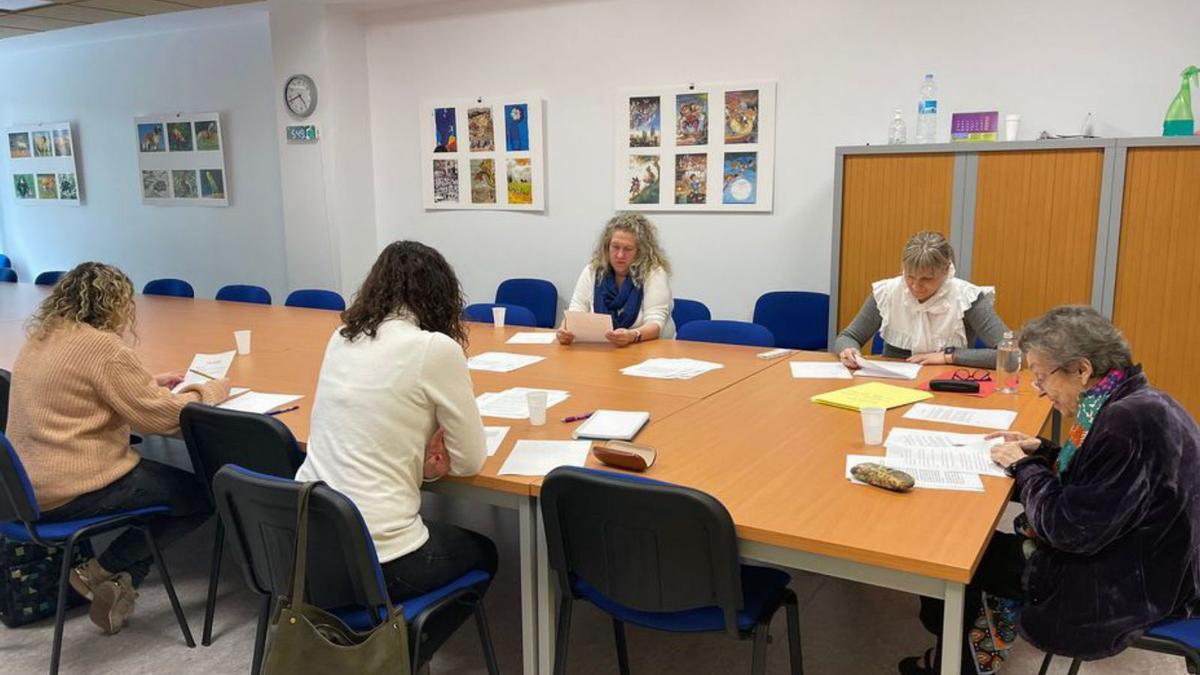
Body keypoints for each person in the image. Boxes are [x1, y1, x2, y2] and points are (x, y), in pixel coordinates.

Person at [900, 306, 1200, 674]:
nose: (1040, 391)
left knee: (959, 556)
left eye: (1042, 378)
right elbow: (1101, 477)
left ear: (1082, 370)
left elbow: (1066, 528)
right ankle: (963, 653)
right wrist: (1041, 450)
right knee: (975, 544)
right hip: (1153, 560)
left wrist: (1023, 467)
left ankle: (953, 664)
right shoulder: (1134, 403)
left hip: (1126, 584)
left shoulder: (1125, 424)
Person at [5, 262, 231, 634]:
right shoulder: (102, 347)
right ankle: (101, 569)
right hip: (72, 490)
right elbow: (159, 420)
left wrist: (147, 382)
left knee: (157, 488)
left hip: (23, 489)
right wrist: (209, 391)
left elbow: (85, 389)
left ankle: (119, 587)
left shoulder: (43, 337)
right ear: (115, 304)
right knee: (204, 494)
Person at [295, 240, 495, 656]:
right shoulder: (433, 349)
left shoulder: (340, 337)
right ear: (439, 294)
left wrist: (420, 460)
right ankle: (389, 660)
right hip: (380, 559)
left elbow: (371, 429)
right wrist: (435, 460)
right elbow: (472, 460)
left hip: (308, 548)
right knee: (486, 552)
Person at [833, 231, 1009, 370]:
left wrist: (949, 356)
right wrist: (848, 350)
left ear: (946, 270)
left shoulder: (967, 297)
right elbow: (848, 337)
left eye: (927, 279)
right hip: (892, 386)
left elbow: (1011, 355)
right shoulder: (888, 292)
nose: (916, 286)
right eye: (909, 277)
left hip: (948, 387)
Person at [557, 213, 674, 347]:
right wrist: (564, 330)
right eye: (615, 247)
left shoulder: (653, 273)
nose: (620, 255)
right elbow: (576, 310)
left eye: (628, 249)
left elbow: (655, 322)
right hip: (603, 348)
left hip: (646, 347)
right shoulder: (593, 270)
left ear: (641, 251)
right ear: (606, 246)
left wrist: (632, 335)